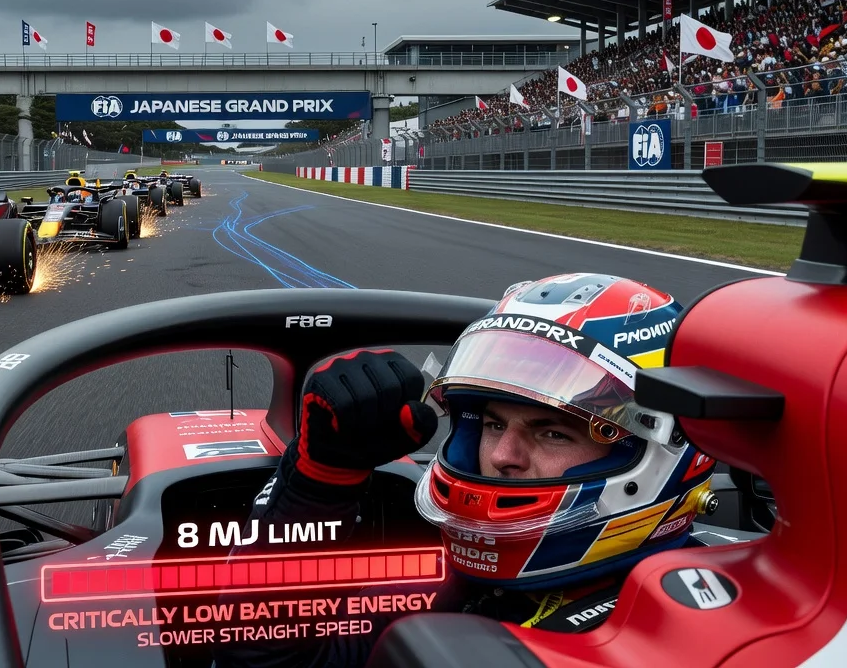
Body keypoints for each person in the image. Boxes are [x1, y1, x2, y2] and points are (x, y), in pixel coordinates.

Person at [213, 273, 717, 668]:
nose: (501, 456)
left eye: (553, 433)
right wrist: (316, 487)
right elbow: (261, 658)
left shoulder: (725, 613)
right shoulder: (441, 579)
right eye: (493, 425)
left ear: (662, 448)